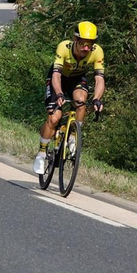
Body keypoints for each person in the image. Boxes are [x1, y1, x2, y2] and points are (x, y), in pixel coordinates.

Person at [35, 22, 106, 175]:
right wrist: (59, 93)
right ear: (75, 39)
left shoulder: (97, 52)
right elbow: (55, 75)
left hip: (76, 79)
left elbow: (100, 79)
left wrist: (97, 99)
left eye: (90, 44)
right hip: (58, 79)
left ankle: (74, 135)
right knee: (54, 118)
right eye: (82, 44)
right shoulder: (64, 47)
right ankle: (41, 153)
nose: (86, 48)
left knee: (81, 101)